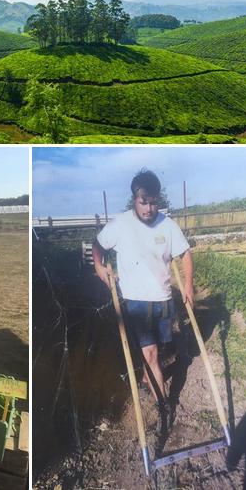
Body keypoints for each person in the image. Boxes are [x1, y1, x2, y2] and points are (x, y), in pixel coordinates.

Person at [92, 169, 194, 412]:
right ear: (134, 200)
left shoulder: (167, 225)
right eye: (143, 202)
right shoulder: (120, 225)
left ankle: (148, 377)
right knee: (151, 352)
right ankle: (162, 403)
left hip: (163, 299)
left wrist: (188, 284)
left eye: (153, 202)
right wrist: (99, 267)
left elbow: (185, 254)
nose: (149, 208)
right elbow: (98, 245)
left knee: (161, 347)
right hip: (136, 301)